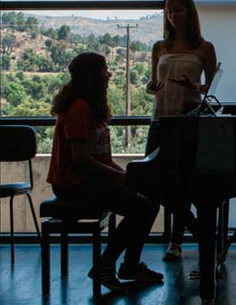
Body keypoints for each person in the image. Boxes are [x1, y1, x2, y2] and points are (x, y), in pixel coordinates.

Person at [47, 52, 162, 292]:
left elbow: (102, 159)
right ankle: (106, 265)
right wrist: (122, 177)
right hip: (73, 184)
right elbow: (81, 160)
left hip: (88, 179)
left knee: (151, 195)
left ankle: (130, 265)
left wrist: (129, 175)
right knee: (141, 207)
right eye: (104, 70)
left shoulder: (89, 106)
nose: (109, 74)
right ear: (92, 77)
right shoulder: (79, 108)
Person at [145, 0, 217, 264]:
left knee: (184, 183)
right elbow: (154, 85)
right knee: (153, 182)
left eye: (178, 10)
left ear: (190, 13)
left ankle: (176, 242)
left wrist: (195, 88)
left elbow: (211, 88)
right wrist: (151, 88)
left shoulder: (204, 47)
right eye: (169, 11)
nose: (173, 16)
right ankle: (194, 231)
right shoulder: (159, 47)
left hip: (188, 121)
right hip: (160, 120)